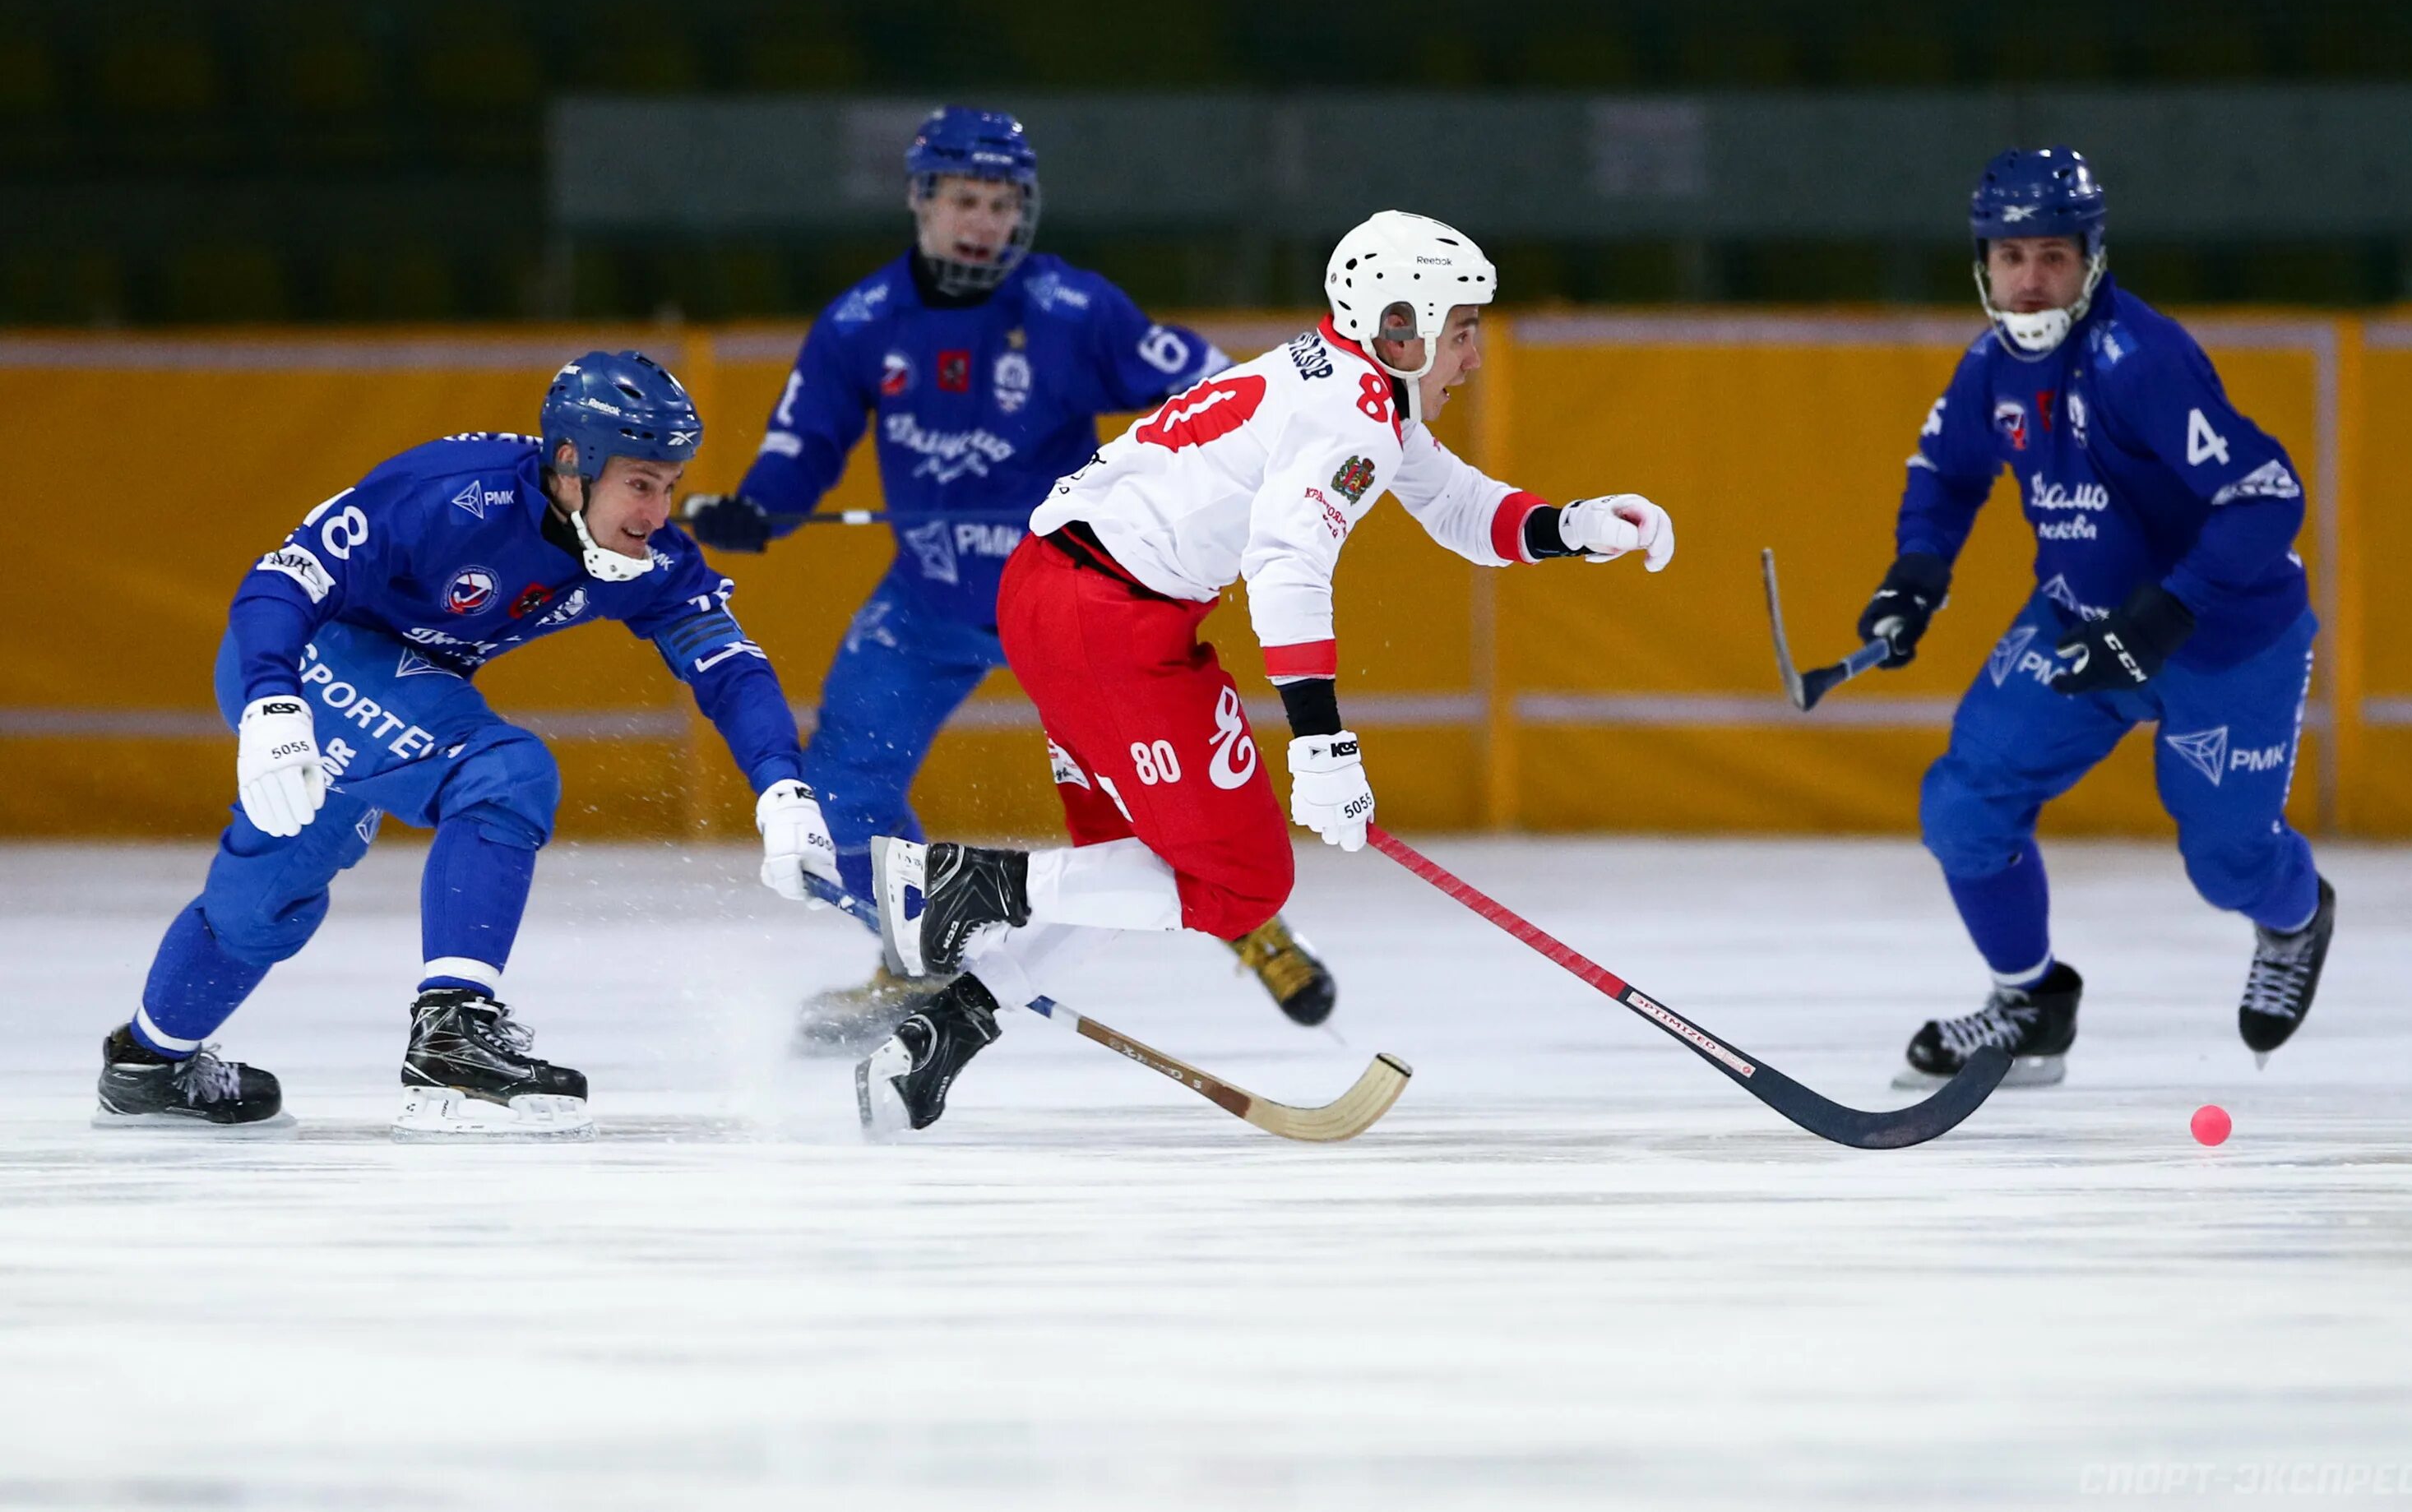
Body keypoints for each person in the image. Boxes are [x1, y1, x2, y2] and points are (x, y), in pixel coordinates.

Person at [859, 209, 1678, 1132]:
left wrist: (1575, 526)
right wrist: (1324, 748)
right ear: (1399, 326)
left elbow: (1457, 506)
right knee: (1242, 886)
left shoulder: (1352, 387)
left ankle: (940, 1034)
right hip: (1108, 620)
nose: (1473, 357)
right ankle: (966, 887)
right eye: (1462, 331)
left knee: (1136, 872)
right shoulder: (1354, 416)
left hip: (1065, 596)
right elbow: (1287, 568)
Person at [683, 105, 1341, 1046]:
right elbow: (803, 442)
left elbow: (1215, 385)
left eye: (1001, 203)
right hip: (930, 600)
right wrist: (760, 505)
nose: (982, 222)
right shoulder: (862, 322)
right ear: (922, 201)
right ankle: (920, 954)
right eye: (963, 200)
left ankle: (1253, 923)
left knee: (1152, 800)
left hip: (1065, 601)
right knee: (835, 797)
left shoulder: (1072, 309)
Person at [95, 352, 834, 1138]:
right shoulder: (447, 494)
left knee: (263, 904)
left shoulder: (643, 557)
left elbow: (728, 664)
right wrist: (276, 701)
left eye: (671, 485)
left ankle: (149, 1063)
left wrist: (782, 784)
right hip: (295, 657)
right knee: (505, 773)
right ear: (572, 463)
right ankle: (452, 1036)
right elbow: (283, 581)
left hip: (389, 683)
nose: (657, 512)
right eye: (642, 484)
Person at [1864, 148, 2334, 1089]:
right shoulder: (1990, 366)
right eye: (2011, 257)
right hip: (2080, 619)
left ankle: (2294, 914)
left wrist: (2171, 611)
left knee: (2225, 863)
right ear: (1983, 265)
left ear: (2091, 258)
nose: (2031, 280)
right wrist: (1916, 573)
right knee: (1963, 804)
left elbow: (2267, 494)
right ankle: (2029, 1007)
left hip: (2225, 638)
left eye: (2053, 255)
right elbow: (1948, 472)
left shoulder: (2140, 361)